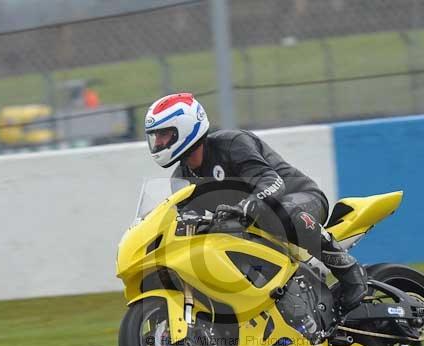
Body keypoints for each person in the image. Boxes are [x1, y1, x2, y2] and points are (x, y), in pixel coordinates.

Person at [144, 92, 366, 311]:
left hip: (299, 199)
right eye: (155, 136)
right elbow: (186, 218)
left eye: (164, 134)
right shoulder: (181, 179)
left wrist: (247, 206)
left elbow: (273, 182)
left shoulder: (232, 143)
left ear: (185, 128)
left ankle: (349, 271)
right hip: (250, 227)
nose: (159, 142)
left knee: (277, 211)